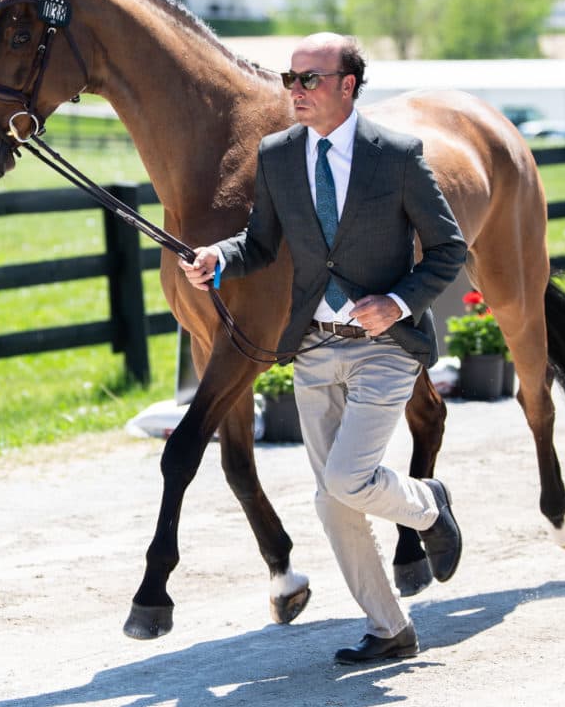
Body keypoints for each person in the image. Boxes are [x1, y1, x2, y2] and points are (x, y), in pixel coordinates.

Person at [181, 32, 467, 665]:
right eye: (290, 78)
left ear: (348, 85)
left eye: (310, 78)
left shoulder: (395, 155)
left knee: (346, 478)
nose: (295, 90)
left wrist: (396, 302)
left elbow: (450, 250)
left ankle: (427, 505)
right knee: (333, 501)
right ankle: (390, 628)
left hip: (385, 347)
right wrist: (217, 258)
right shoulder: (279, 156)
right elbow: (259, 244)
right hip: (313, 348)